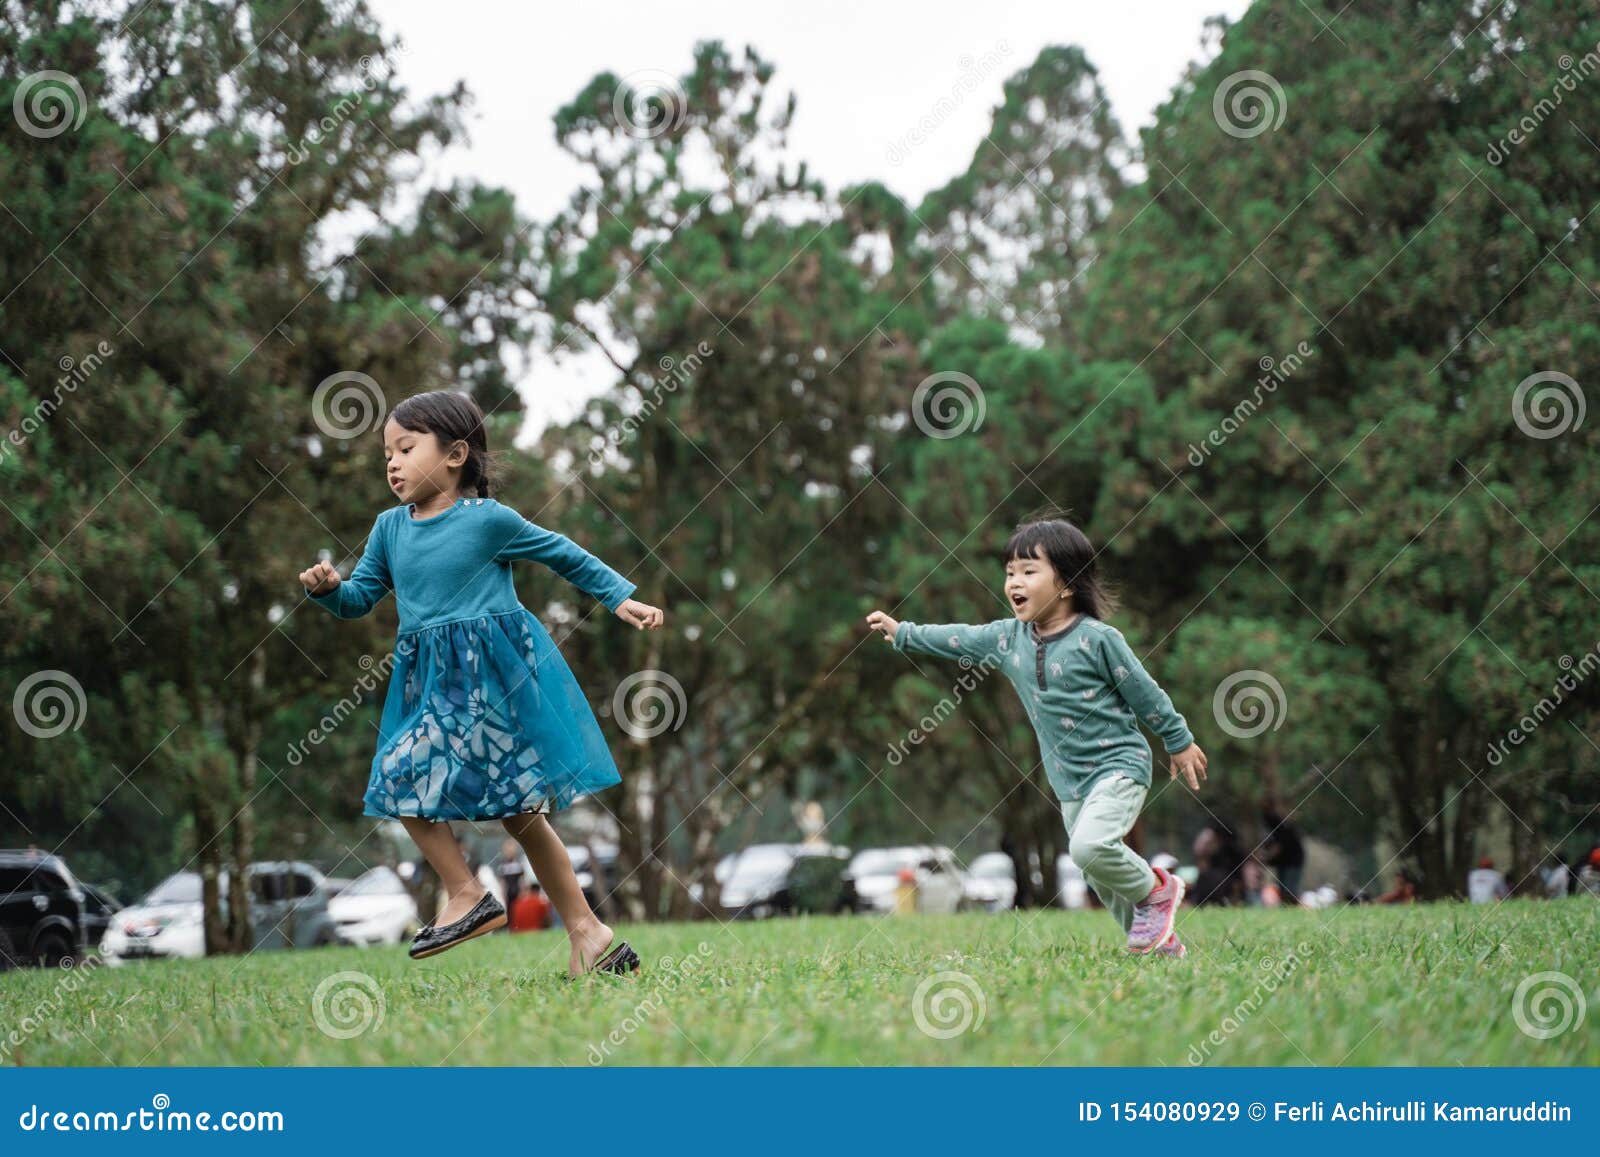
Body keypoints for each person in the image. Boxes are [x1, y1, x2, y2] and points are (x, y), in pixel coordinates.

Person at [300, 389, 664, 975]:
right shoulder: (389, 529)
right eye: (385, 454)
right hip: (431, 685)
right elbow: (359, 599)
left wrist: (619, 597)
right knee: (508, 808)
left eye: (405, 448)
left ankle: (470, 894)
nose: (391, 462)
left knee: (413, 776)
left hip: (491, 685)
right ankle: (588, 933)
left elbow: (563, 553)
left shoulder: (487, 521)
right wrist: (327, 591)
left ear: (455, 454)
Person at [866, 516, 1208, 958]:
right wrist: (904, 633)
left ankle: (1156, 891)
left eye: (1029, 570)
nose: (1014, 581)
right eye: (1010, 571)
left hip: (1119, 766)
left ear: (1066, 583)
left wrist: (1177, 740)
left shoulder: (1098, 639)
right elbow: (960, 638)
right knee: (1098, 873)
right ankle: (1155, 944)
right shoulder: (1009, 639)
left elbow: (1145, 693)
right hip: (1069, 781)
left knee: (1089, 848)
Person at [1260, 808, 1305, 904]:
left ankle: (1291, 905)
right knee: (1283, 888)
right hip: (1283, 862)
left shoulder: (1282, 828)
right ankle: (1286, 904)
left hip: (1293, 862)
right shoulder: (1274, 829)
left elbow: (1278, 848)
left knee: (1289, 888)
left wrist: (1265, 858)